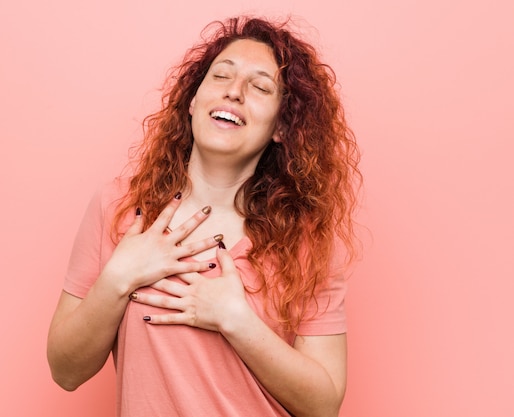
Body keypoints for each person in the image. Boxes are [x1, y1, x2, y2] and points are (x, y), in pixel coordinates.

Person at [47, 15, 361, 417]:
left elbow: (323, 405)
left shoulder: (307, 240)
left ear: (282, 126)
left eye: (260, 87)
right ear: (193, 101)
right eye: (220, 77)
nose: (234, 92)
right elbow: (65, 371)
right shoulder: (120, 209)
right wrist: (116, 279)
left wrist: (237, 321)